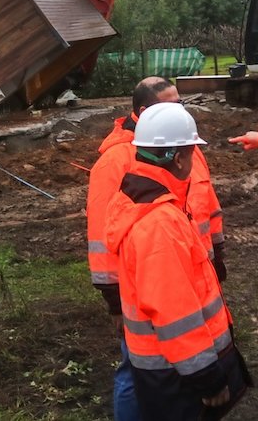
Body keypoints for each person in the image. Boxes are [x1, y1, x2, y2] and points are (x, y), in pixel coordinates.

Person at [86, 76, 225, 420]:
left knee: (176, 368)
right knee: (138, 369)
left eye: (180, 103)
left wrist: (216, 260)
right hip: (150, 284)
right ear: (146, 111)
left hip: (191, 277)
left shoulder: (181, 144)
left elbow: (207, 204)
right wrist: (114, 299)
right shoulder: (120, 160)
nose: (179, 109)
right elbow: (103, 234)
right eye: (171, 104)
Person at [105, 102, 250, 420]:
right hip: (176, 377)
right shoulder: (159, 224)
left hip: (165, 369)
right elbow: (174, 315)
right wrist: (208, 379)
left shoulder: (141, 198)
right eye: (192, 151)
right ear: (180, 157)